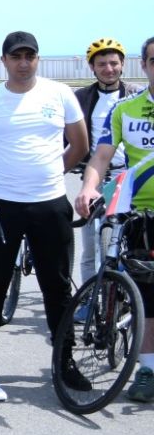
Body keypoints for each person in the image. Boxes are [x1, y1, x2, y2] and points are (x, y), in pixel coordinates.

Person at [0, 31, 88, 389]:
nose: (23, 63)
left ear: (37, 59)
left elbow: (79, 145)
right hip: (0, 205)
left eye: (29, 56)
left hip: (50, 203)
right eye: (16, 56)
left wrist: (49, 173)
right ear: (3, 61)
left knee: (57, 286)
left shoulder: (59, 93)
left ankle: (64, 362)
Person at [75, 35, 154, 402]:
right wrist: (89, 188)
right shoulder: (126, 109)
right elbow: (102, 156)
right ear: (145, 65)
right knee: (147, 296)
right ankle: (148, 371)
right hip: (140, 212)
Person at [73, 38, 137, 286]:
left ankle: (124, 294)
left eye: (113, 63)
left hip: (125, 177)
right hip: (94, 177)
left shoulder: (135, 94)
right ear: (92, 67)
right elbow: (68, 135)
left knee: (129, 242)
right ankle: (87, 299)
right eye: (102, 64)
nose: (109, 69)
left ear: (123, 64)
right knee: (90, 246)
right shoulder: (82, 97)